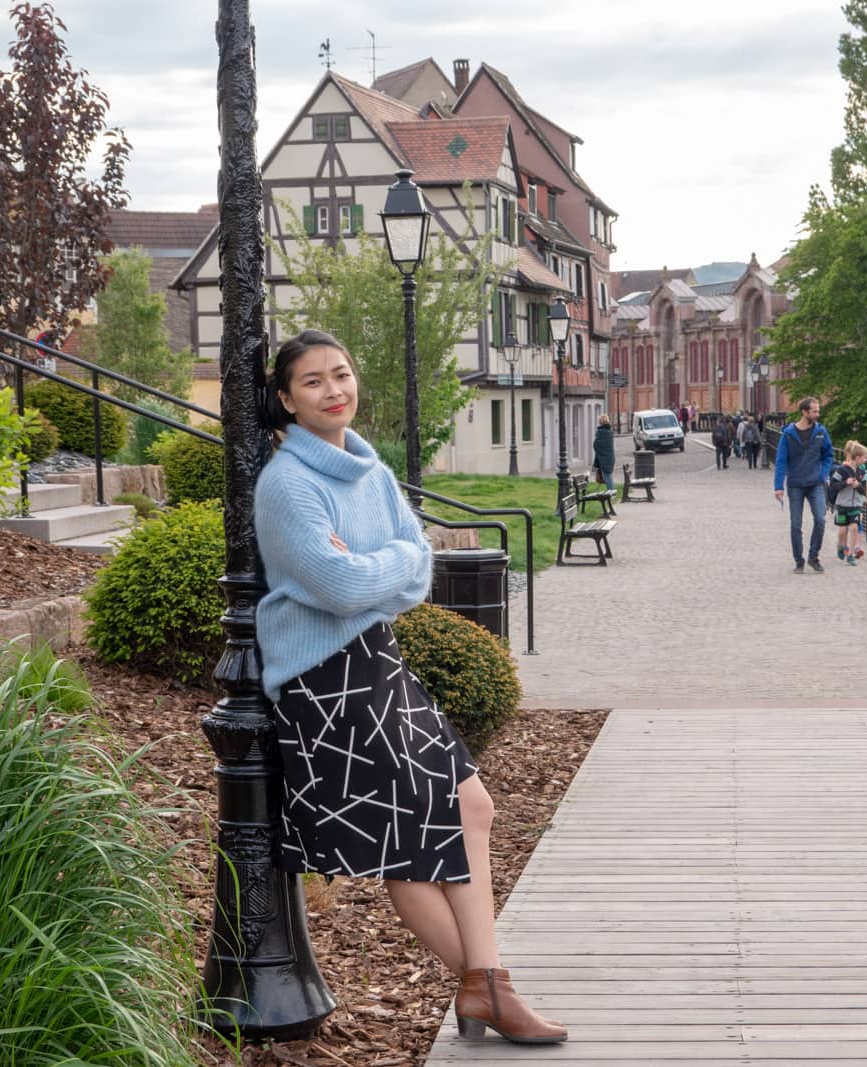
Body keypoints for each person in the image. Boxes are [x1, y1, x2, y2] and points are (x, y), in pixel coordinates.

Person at [254, 329, 566, 1045]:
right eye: (312, 381)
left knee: (470, 803)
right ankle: (489, 984)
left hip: (378, 659)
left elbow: (417, 574)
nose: (333, 389)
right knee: (410, 841)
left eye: (341, 373)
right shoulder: (287, 485)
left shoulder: (371, 472)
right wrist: (380, 567)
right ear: (285, 400)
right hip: (323, 679)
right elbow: (334, 586)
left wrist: (376, 564)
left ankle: (484, 983)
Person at [772, 397, 833, 573]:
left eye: (818, 411)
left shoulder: (821, 432)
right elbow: (781, 460)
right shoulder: (788, 434)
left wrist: (823, 474)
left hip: (815, 483)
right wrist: (778, 486)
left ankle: (814, 557)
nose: (817, 414)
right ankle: (799, 561)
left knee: (820, 519)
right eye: (814, 411)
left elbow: (828, 455)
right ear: (804, 412)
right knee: (795, 524)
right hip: (795, 484)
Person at [832, 440, 867, 565]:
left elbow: (863, 489)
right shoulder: (842, 470)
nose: (866, 460)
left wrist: (857, 485)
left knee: (854, 528)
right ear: (858, 457)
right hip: (842, 505)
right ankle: (840, 546)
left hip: (856, 505)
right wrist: (846, 483)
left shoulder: (862, 471)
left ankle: (850, 555)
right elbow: (833, 485)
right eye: (865, 457)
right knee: (842, 530)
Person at [592, 413, 616, 487]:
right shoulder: (610, 432)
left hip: (604, 460)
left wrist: (600, 452)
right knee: (609, 477)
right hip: (610, 458)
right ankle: (611, 494)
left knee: (607, 478)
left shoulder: (601, 432)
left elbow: (596, 445)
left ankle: (611, 494)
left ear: (600, 422)